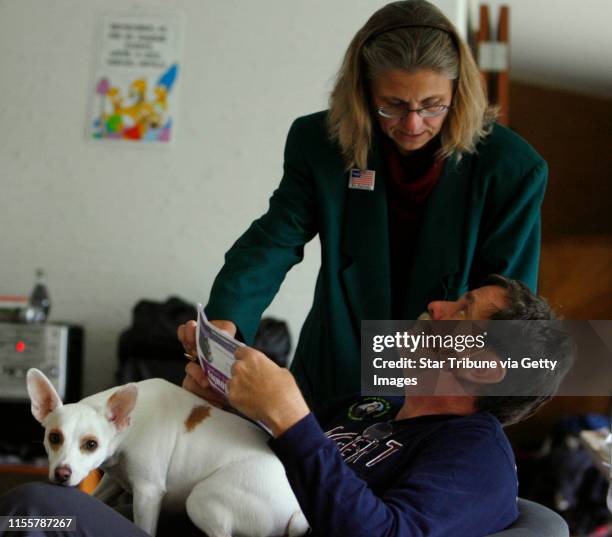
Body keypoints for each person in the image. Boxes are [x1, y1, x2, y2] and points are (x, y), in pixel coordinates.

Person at [179, 0, 548, 406]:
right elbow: (274, 240)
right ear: (362, 91)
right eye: (391, 105)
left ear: (459, 92)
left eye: (432, 105)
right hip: (336, 365)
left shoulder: (511, 168)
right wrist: (224, 324)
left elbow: (506, 316)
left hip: (438, 388)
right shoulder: (319, 143)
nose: (411, 124)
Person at [0, 276, 573, 537]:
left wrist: (293, 417)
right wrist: (225, 406)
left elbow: (386, 534)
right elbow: (267, 462)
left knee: (33, 510)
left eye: (463, 311)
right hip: (210, 513)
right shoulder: (371, 407)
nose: (438, 305)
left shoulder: (476, 457)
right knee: (31, 510)